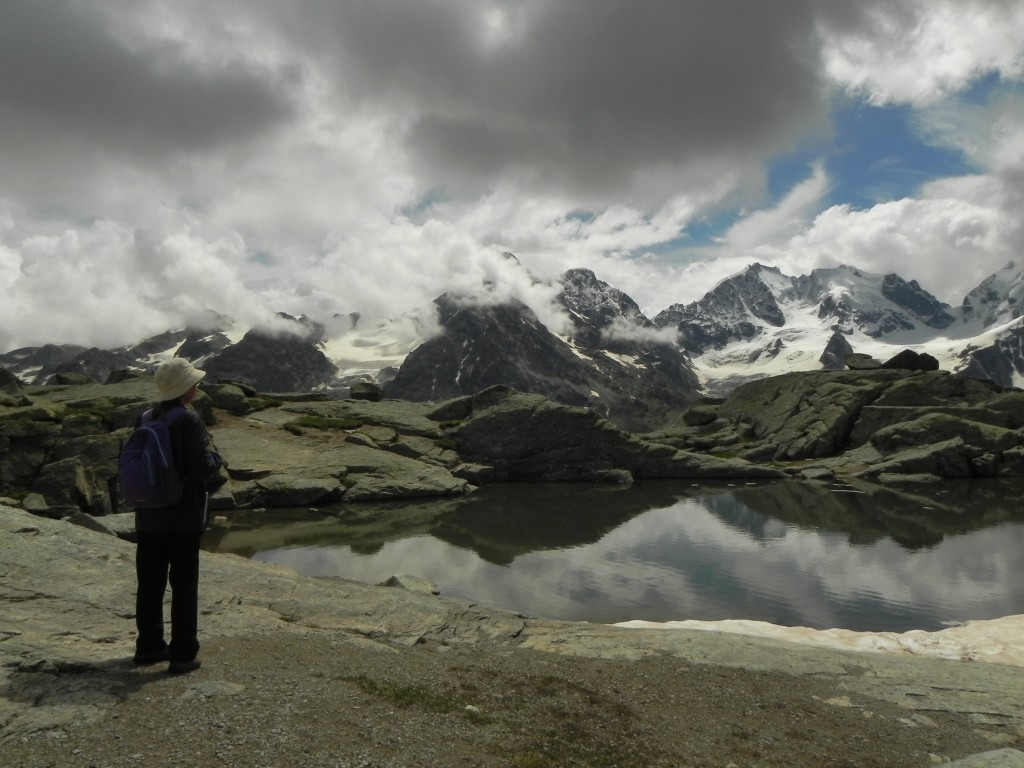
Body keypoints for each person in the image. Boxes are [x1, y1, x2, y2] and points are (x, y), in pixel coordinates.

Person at [132, 357, 224, 675]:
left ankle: (148, 647)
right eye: (194, 383)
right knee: (183, 585)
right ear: (186, 389)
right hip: (182, 517)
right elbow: (202, 467)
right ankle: (183, 654)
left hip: (147, 515)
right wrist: (217, 457)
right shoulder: (187, 420)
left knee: (150, 583)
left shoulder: (144, 417)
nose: (197, 387)